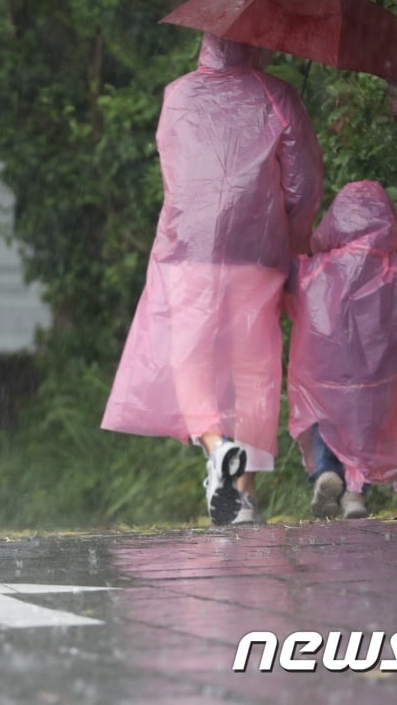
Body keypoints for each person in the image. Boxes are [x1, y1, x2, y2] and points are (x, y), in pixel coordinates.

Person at [101, 32, 323, 525]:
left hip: (188, 247)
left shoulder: (177, 95)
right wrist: (292, 235)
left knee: (191, 359)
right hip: (256, 250)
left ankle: (216, 445)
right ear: (256, 42)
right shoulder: (277, 95)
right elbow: (303, 182)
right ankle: (242, 495)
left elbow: (174, 170)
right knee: (253, 367)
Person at [283, 180, 397, 519]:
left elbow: (281, 274)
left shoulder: (313, 271)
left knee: (325, 421)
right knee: (367, 431)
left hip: (323, 375)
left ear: (334, 221)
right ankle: (355, 496)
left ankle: (326, 473)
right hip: (378, 377)